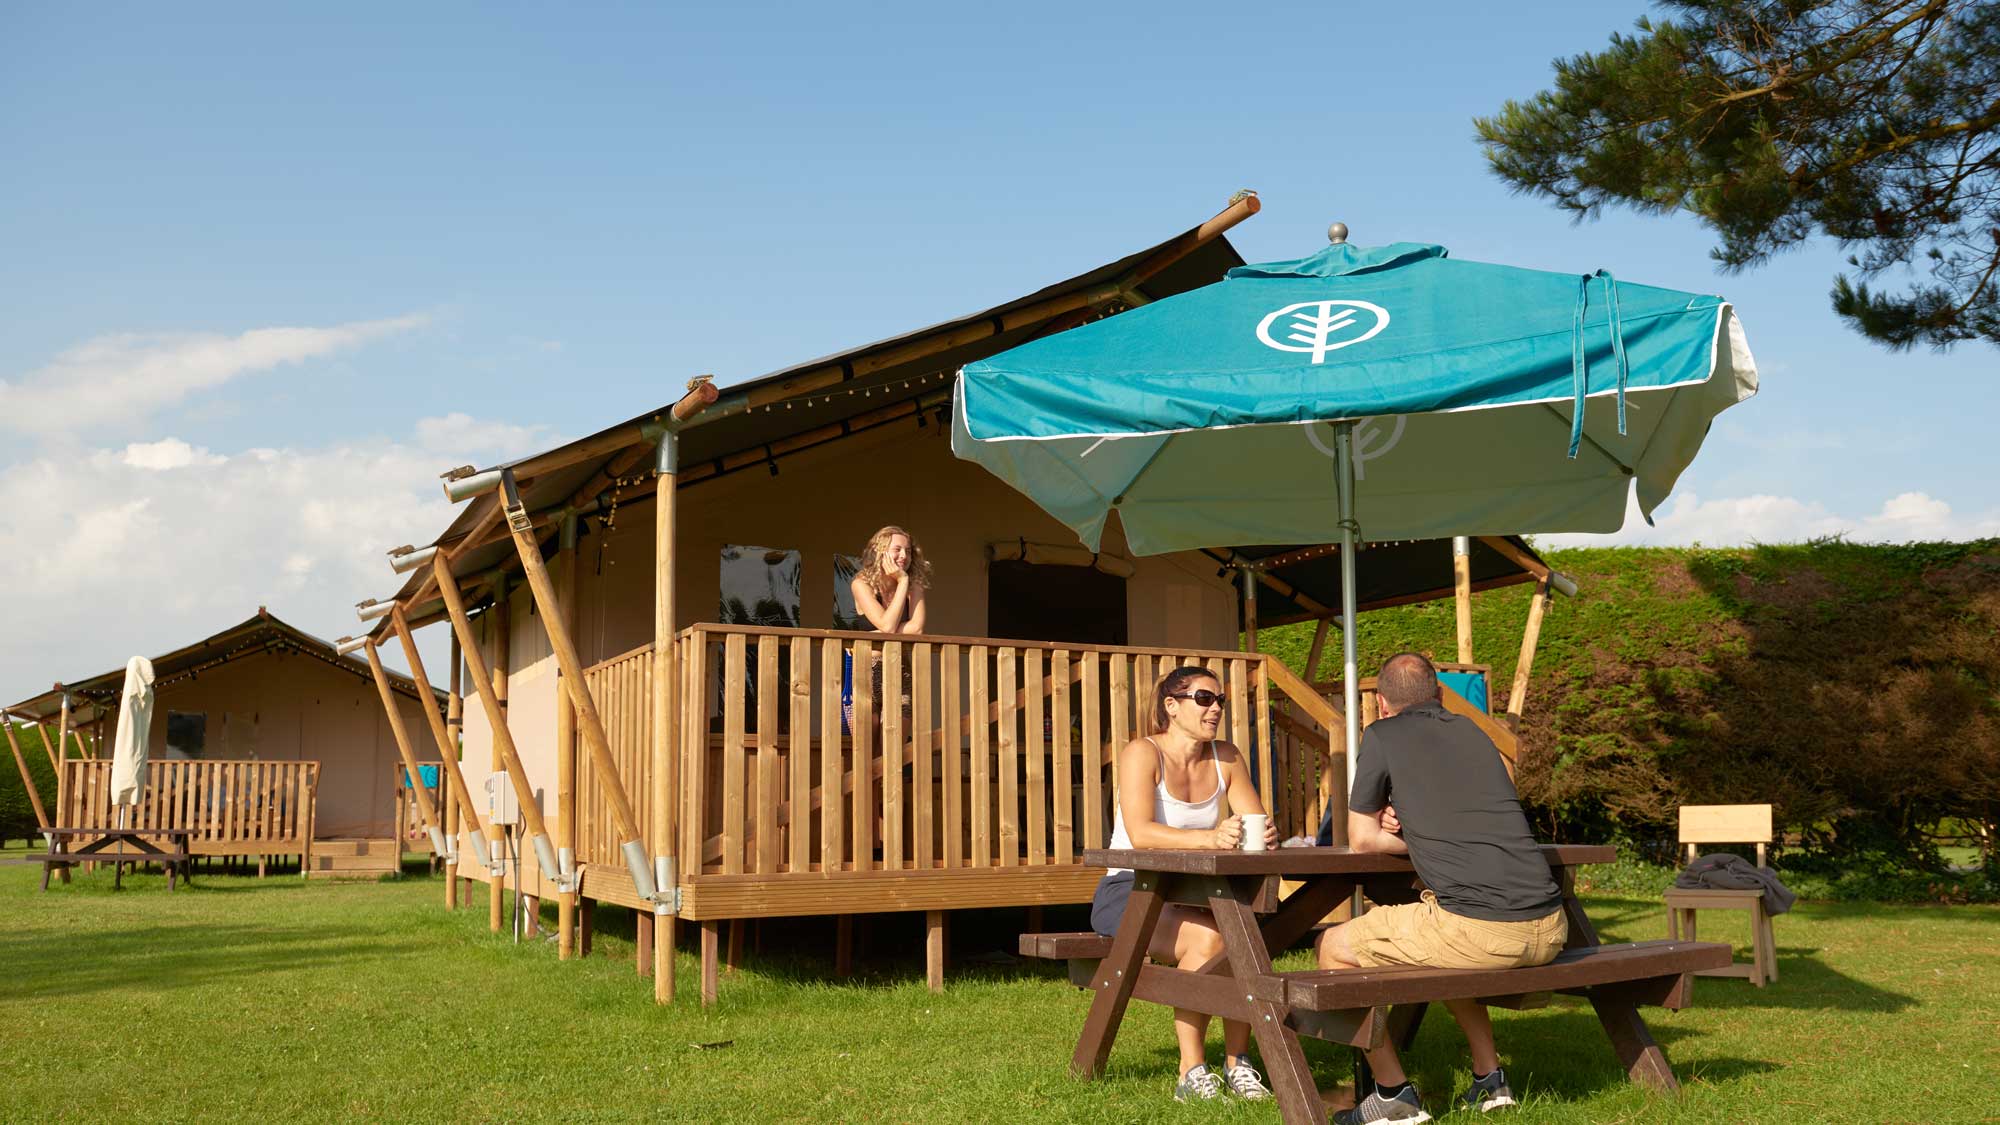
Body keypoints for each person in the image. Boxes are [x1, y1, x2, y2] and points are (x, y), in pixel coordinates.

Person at [1318, 653, 1568, 1122]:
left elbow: (1362, 838)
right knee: (1445, 936)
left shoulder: (1381, 735)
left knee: (1333, 946)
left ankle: (1392, 1096)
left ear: (1381, 702)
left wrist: (1406, 832)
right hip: (1551, 927)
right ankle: (1490, 1079)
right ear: (1438, 695)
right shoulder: (1473, 733)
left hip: (1482, 932)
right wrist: (1417, 824)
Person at [1089, 666, 1279, 1103]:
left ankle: (1238, 1064)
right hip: (1131, 890)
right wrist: (1210, 838)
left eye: (1219, 701)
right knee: (1213, 938)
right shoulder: (1143, 753)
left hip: (1194, 892)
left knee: (1238, 933)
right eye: (1204, 699)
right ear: (1171, 706)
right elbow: (1141, 833)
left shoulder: (1226, 757)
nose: (1215, 709)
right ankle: (1191, 1072)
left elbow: (1253, 820)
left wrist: (1265, 835)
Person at [850, 525, 929, 635]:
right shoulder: (861, 585)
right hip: (865, 647)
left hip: (900, 647)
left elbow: (916, 629)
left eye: (908, 551)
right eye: (897, 549)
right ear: (880, 553)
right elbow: (887, 627)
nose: (904, 555)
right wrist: (902, 581)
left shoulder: (914, 586)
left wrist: (873, 635)